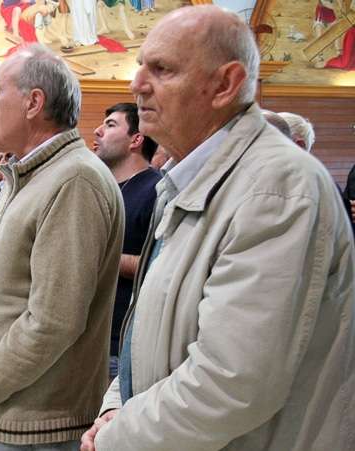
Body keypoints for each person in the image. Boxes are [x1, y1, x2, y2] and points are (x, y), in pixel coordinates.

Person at [80, 6, 355, 451]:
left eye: (162, 69)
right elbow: (151, 327)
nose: (136, 85)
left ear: (225, 85)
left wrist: (121, 435)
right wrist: (117, 403)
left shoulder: (275, 188)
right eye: (140, 67)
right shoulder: (189, 178)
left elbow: (234, 381)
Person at [0, 44, 124, 450]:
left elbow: (53, 320)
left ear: (33, 102)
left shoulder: (75, 179)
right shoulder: (26, 174)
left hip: (35, 422)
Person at [93, 102, 161, 380]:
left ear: (136, 139)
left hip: (120, 341)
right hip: (92, 334)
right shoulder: (102, 186)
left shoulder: (155, 189)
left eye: (110, 125)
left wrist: (95, 258)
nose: (97, 131)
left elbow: (157, 265)